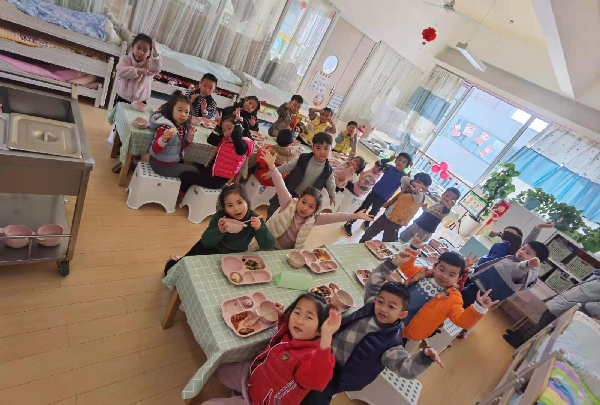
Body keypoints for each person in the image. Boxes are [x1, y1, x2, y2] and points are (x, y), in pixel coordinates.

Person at [300, 251, 443, 405]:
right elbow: (374, 282)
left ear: (402, 314)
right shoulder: (371, 307)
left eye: (391, 307)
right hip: (323, 353)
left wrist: (424, 357)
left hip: (338, 375)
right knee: (301, 381)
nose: (383, 308)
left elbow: (405, 368)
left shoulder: (392, 344)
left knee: (314, 399)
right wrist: (392, 264)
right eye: (380, 302)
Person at [202, 293, 341, 405]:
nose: (299, 321)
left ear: (319, 331)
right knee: (219, 368)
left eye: (309, 317)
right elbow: (286, 327)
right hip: (254, 377)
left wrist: (327, 336)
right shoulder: (295, 334)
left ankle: (241, 396)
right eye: (297, 312)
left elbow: (317, 380)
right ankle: (240, 392)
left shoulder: (309, 357)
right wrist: (283, 316)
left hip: (260, 401)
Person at [248, 151, 373, 251]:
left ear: (315, 210)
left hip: (284, 253)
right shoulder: (288, 203)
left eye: (311, 207)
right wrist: (271, 166)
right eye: (303, 202)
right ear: (299, 198)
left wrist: (354, 216)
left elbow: (334, 217)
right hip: (266, 244)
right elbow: (280, 184)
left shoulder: (313, 219)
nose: (305, 208)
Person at [394, 235, 496, 341]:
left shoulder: (454, 298)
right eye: (442, 270)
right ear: (435, 266)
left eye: (451, 275)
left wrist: (479, 308)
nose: (444, 276)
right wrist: (413, 249)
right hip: (390, 311)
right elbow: (407, 268)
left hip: (404, 330)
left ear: (458, 278)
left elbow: (461, 320)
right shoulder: (422, 273)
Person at [164, 184, 274, 274]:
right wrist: (219, 230)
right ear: (225, 208)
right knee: (174, 271)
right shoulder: (221, 217)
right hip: (211, 249)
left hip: (234, 256)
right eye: (230, 205)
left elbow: (268, 245)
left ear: (247, 202)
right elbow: (206, 241)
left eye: (240, 202)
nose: (236, 209)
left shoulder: (254, 219)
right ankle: (173, 260)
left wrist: (260, 228)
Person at [503, 272, 600, 347]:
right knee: (542, 322)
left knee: (543, 326)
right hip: (564, 301)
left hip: (569, 306)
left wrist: (585, 307)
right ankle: (521, 336)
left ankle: (521, 342)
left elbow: (595, 307)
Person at [264, 132, 336, 219]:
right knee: (275, 207)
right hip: (289, 189)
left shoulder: (328, 170)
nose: (322, 152)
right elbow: (288, 166)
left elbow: (331, 184)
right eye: (318, 148)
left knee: (291, 217)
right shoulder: (303, 158)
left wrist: (332, 196)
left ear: (331, 149)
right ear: (313, 148)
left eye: (326, 148)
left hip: (304, 199)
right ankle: (268, 220)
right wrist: (272, 172)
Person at [461, 239, 550, 308]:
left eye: (527, 253)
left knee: (461, 305)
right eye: (522, 248)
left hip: (481, 294)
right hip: (477, 285)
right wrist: (538, 228)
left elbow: (520, 269)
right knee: (458, 299)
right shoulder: (513, 259)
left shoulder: (523, 271)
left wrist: (528, 265)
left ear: (534, 261)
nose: (522, 252)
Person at [180, 109, 254, 190]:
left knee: (185, 176)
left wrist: (239, 123)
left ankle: (183, 195)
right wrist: (218, 126)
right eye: (224, 130)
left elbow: (237, 137)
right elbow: (211, 140)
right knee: (192, 171)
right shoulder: (225, 140)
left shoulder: (243, 144)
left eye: (229, 128)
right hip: (211, 172)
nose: (227, 132)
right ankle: (188, 194)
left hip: (218, 180)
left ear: (238, 129)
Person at [343, 153, 412, 236]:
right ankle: (349, 223)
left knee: (374, 212)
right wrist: (388, 160)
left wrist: (409, 179)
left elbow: (405, 189)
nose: (400, 162)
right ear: (396, 160)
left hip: (384, 198)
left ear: (407, 166)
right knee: (363, 208)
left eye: (404, 162)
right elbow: (378, 164)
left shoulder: (404, 177)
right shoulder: (389, 167)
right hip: (375, 192)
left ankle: (366, 222)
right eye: (399, 159)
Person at [359, 172, 432, 243]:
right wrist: (417, 184)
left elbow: (418, 198)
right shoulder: (408, 187)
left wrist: (418, 190)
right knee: (369, 233)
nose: (416, 184)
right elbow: (404, 178)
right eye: (415, 181)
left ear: (425, 187)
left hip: (396, 223)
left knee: (388, 242)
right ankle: (360, 244)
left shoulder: (420, 196)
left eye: (419, 183)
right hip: (386, 216)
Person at [148, 91, 198, 178]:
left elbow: (182, 147)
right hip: (161, 166)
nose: (183, 115)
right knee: (194, 171)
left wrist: (189, 135)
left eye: (186, 112)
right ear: (171, 109)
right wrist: (163, 138)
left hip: (169, 162)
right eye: (179, 110)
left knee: (192, 169)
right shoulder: (165, 127)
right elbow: (155, 149)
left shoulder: (180, 126)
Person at [114, 33, 161, 106]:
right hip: (122, 97)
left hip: (141, 99)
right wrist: (138, 70)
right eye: (138, 48)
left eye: (145, 51)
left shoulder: (149, 63)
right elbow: (120, 71)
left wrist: (154, 47)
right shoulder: (125, 59)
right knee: (118, 112)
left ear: (149, 53)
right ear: (133, 47)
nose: (141, 52)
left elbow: (157, 68)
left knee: (137, 114)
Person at [478, 222, 555, 265]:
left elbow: (524, 241)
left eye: (511, 233)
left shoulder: (516, 252)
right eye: (506, 232)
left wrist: (539, 226)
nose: (507, 235)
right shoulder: (499, 246)